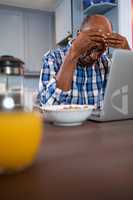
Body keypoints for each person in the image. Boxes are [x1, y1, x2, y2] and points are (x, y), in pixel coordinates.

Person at [38, 14, 130, 108]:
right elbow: (49, 106)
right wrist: (73, 54)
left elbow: (126, 100)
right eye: (93, 41)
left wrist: (127, 56)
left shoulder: (107, 63)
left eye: (102, 47)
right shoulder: (53, 58)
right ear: (79, 35)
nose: (94, 57)